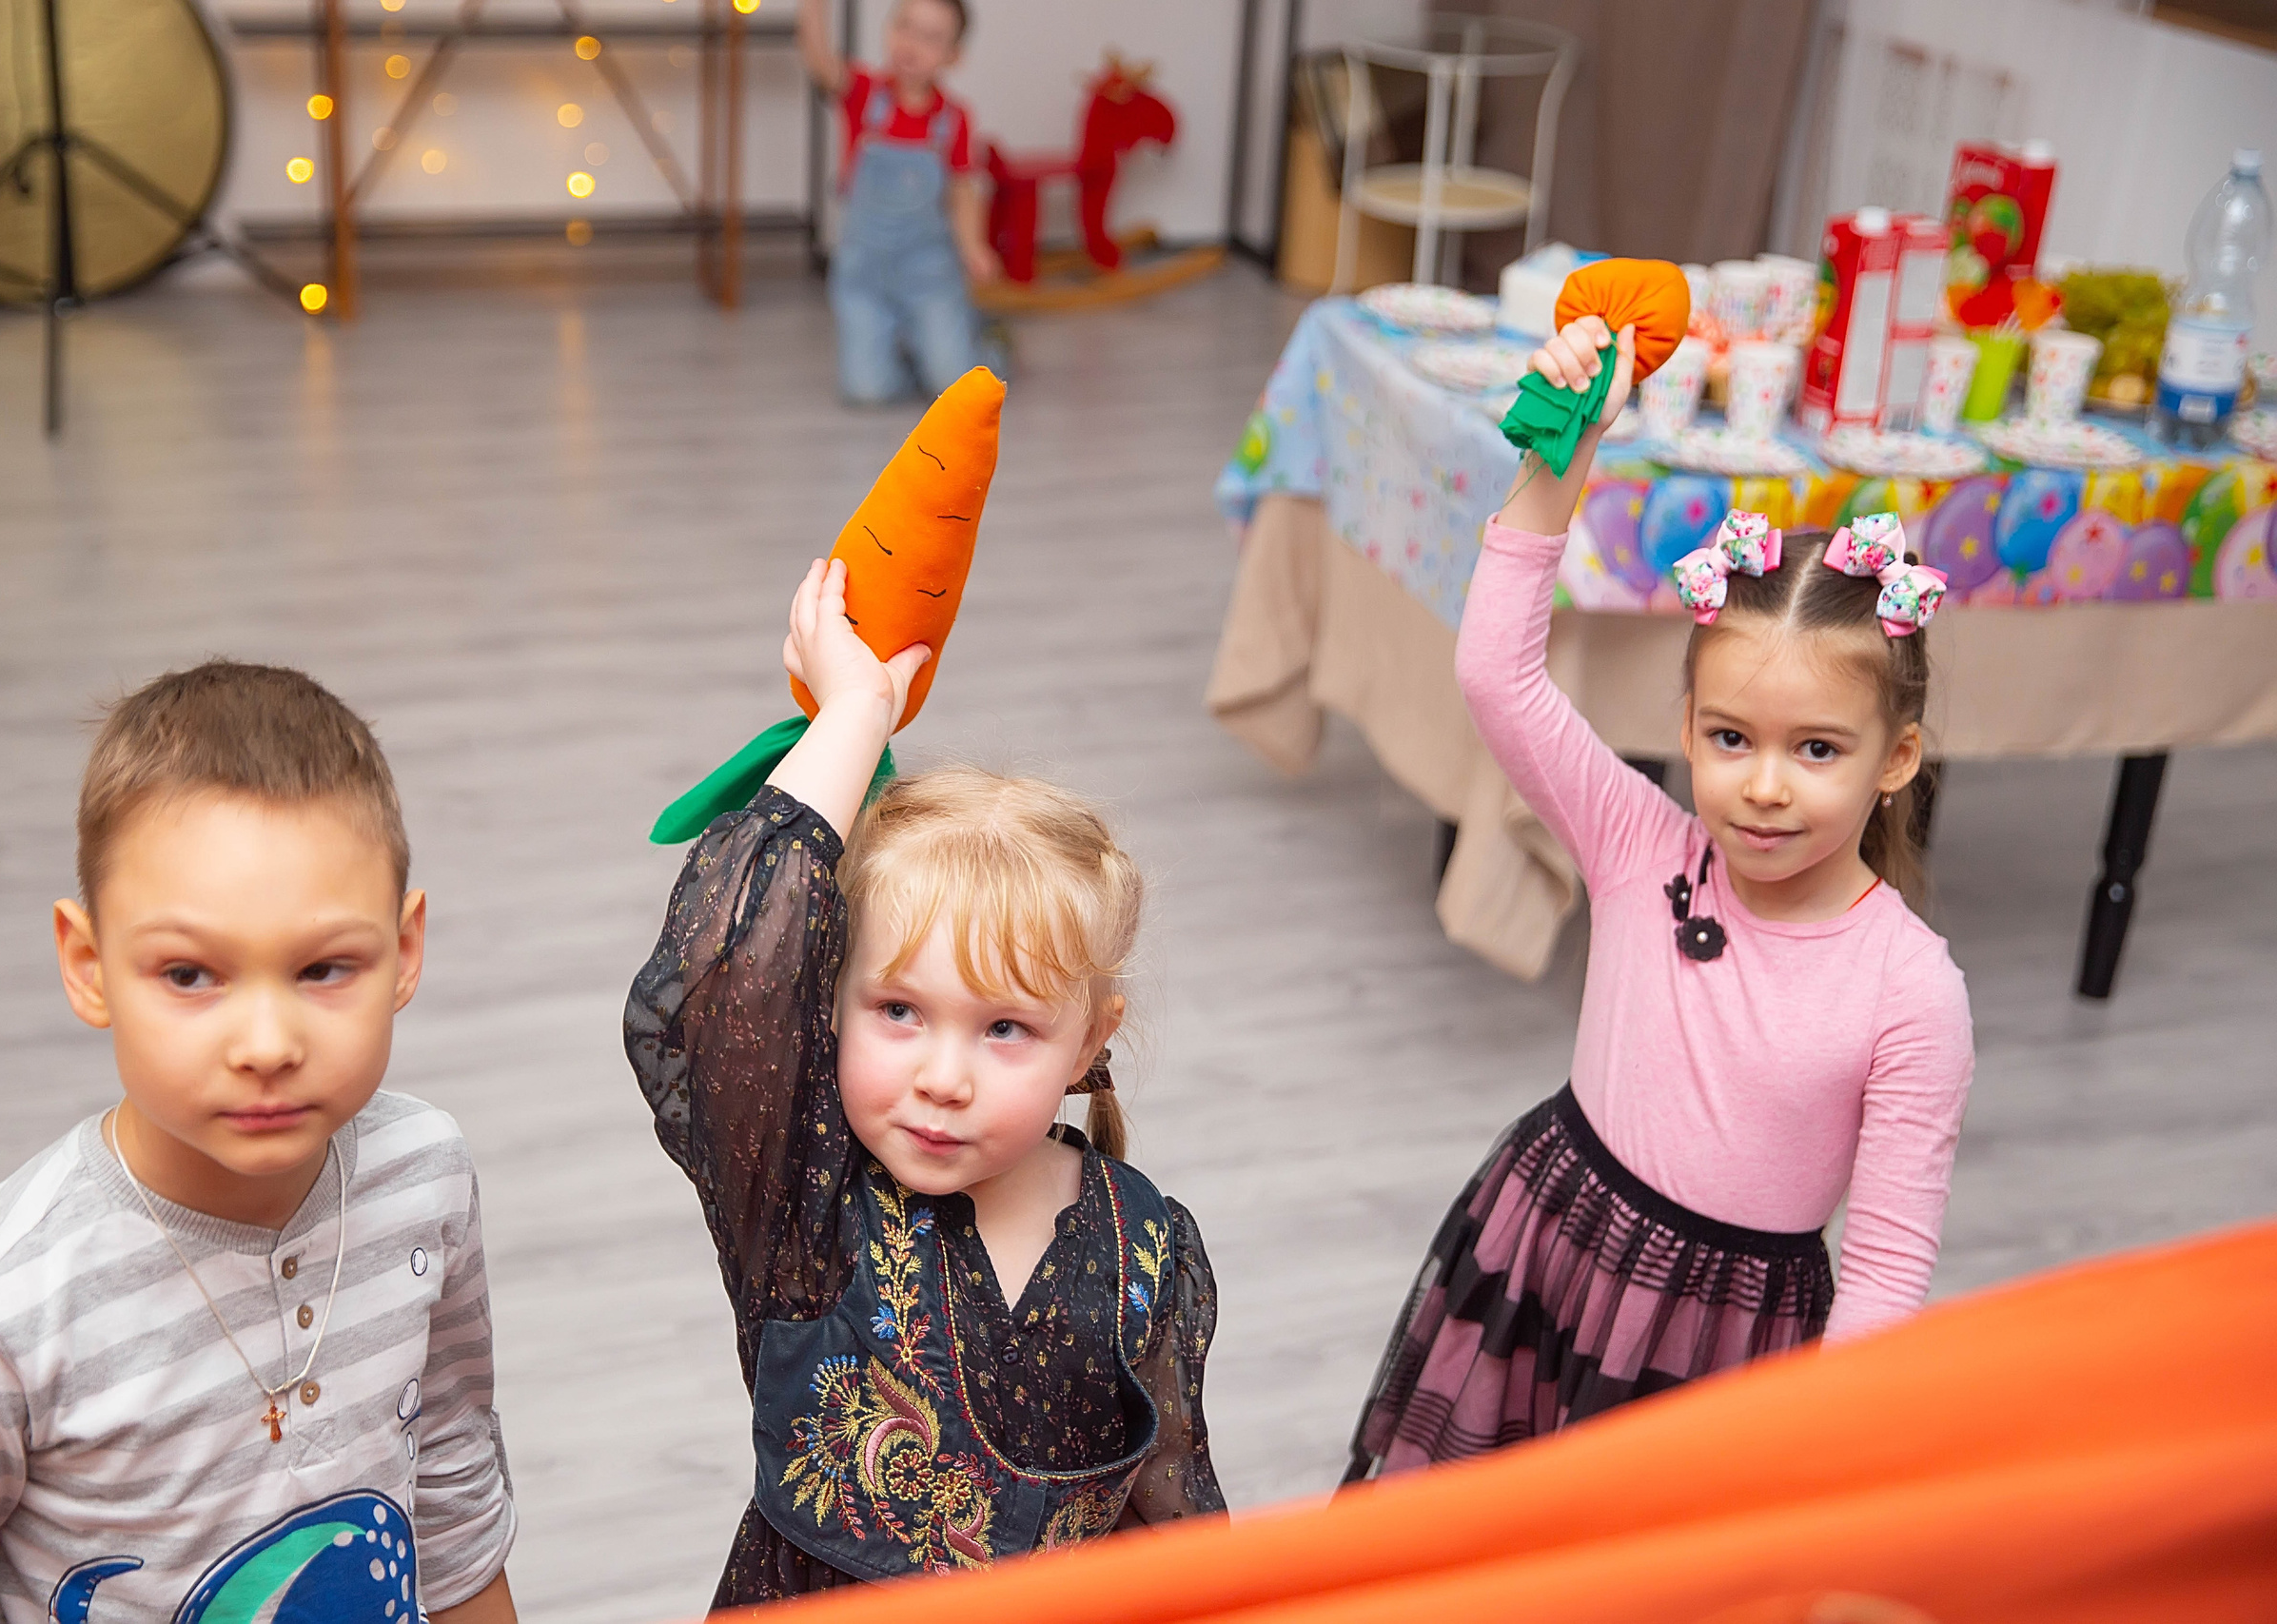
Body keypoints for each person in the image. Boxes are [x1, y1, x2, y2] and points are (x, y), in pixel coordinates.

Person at [1345, 318, 1975, 1480]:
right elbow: (1496, 672)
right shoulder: (1644, 844)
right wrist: (1561, 456)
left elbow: (1887, 1269)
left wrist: (1825, 1458)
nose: (1765, 786)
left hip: (1726, 1337)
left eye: (1819, 750)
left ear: (1896, 760)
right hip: (1549, 1238)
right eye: (1730, 738)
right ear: (1685, 728)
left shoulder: (1910, 992)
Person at [0, 662, 520, 1624]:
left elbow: (450, 1490)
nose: (266, 1047)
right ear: (88, 966)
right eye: (191, 975)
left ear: (405, 953)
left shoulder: (426, 1174)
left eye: (324, 967)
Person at [626, 558, 1224, 1608]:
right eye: (899, 1012)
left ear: (1091, 1041)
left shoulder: (1150, 1247)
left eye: (1005, 1028)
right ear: (826, 1005)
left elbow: (1172, 1510)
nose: (941, 1077)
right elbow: (719, 972)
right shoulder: (802, 1199)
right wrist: (855, 715)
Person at [798, 0, 1001, 405]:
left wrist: (973, 246)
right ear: (889, 30)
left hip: (928, 274)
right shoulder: (863, 93)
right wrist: (813, 10)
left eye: (930, 38)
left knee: (950, 383)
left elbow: (963, 190)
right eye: (905, 27)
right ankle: (902, 342)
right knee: (867, 392)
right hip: (866, 278)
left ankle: (985, 339)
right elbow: (820, 61)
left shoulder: (953, 118)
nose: (911, 44)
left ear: (952, 56)